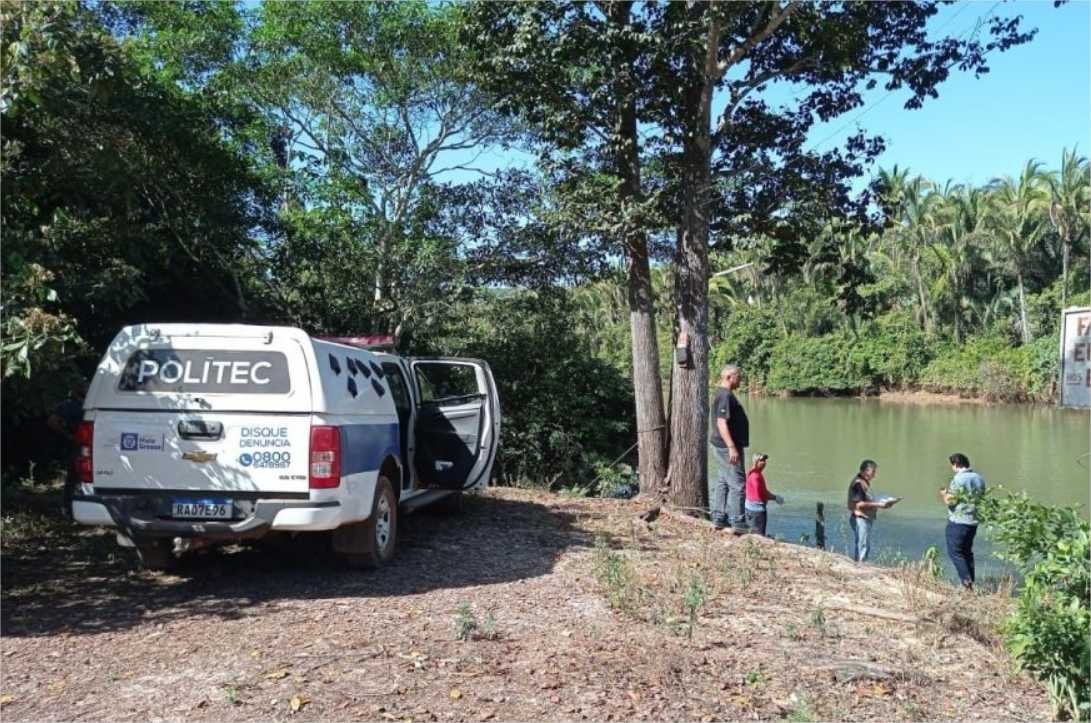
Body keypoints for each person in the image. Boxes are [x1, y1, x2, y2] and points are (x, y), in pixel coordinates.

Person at [709, 364, 749, 533]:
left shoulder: (723, 394)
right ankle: (738, 523)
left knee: (723, 481)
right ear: (729, 377)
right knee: (738, 484)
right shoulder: (725, 395)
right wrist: (732, 447)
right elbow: (721, 422)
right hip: (727, 447)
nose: (740, 380)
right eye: (738, 377)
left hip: (722, 446)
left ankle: (719, 518)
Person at [941, 452, 986, 589]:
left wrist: (944, 494)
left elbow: (951, 501)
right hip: (973, 521)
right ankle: (971, 581)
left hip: (958, 521)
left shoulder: (958, 479)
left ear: (956, 464)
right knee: (967, 552)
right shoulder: (979, 478)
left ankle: (966, 584)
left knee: (955, 552)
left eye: (952, 466)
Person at [47, 380, 87, 519]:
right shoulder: (67, 405)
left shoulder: (89, 403)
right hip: (75, 445)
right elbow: (52, 421)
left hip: (87, 445)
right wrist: (68, 435)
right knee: (74, 477)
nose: (85, 388)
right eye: (81, 386)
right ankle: (68, 509)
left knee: (83, 477)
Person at [846, 459, 898, 562]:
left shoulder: (864, 482)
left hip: (864, 518)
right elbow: (858, 504)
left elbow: (864, 499)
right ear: (864, 471)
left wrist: (882, 502)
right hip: (860, 518)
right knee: (862, 545)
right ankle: (859, 566)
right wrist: (880, 504)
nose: (874, 475)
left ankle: (860, 564)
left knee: (865, 545)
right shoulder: (858, 484)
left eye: (875, 472)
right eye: (872, 472)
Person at [744, 453, 783, 536]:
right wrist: (775, 498)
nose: (764, 462)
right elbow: (762, 493)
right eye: (761, 460)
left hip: (750, 509)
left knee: (752, 533)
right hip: (756, 511)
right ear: (756, 462)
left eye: (765, 460)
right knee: (759, 535)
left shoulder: (752, 472)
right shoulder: (756, 476)